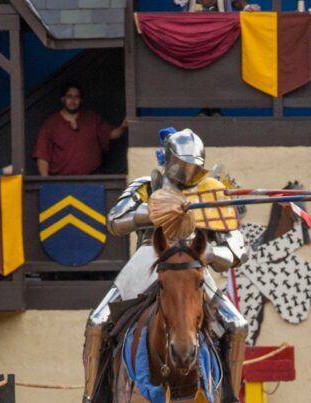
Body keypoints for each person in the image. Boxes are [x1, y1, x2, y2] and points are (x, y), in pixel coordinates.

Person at [81, 128, 249, 403]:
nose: (188, 173)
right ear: (169, 159)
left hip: (194, 261)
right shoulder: (147, 185)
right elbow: (115, 220)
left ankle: (229, 396)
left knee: (237, 324)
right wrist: (151, 212)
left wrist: (209, 254)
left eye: (195, 167)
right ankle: (93, 395)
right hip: (150, 255)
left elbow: (236, 248)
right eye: (184, 165)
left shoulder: (210, 193)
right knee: (98, 321)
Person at [33, 82, 127, 176]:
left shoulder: (92, 119)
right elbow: (42, 155)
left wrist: (123, 126)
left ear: (81, 100)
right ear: (63, 99)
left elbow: (112, 135)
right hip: (61, 183)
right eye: (69, 96)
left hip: (91, 181)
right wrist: (46, 183)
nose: (73, 100)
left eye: (76, 97)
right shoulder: (51, 123)